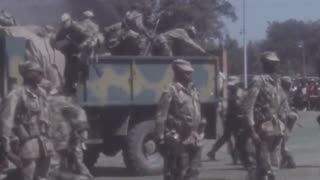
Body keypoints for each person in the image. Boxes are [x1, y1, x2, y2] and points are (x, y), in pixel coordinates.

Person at [0, 61, 54, 180]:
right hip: (27, 144)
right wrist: (7, 150)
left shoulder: (42, 93)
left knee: (43, 177)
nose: (42, 74)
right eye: (38, 72)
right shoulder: (16, 95)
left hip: (45, 143)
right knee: (28, 176)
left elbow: (48, 117)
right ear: (28, 74)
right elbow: (6, 122)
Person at [155, 59, 206, 180]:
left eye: (190, 72)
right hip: (178, 140)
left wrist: (201, 128)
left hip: (194, 139)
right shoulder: (171, 90)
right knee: (177, 174)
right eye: (186, 72)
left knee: (194, 173)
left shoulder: (194, 90)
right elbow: (161, 116)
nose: (190, 75)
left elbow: (197, 111)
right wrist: (160, 139)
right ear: (177, 72)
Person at [242, 52, 290, 180]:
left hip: (276, 130)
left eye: (276, 63)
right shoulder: (258, 81)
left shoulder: (277, 82)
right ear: (264, 64)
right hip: (262, 129)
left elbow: (282, 103)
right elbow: (248, 106)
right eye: (271, 63)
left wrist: (284, 123)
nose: (275, 66)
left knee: (273, 167)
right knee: (262, 167)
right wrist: (252, 130)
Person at [207, 77, 244, 164]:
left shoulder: (238, 90)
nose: (230, 87)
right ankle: (235, 158)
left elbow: (237, 100)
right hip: (233, 117)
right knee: (234, 137)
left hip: (234, 117)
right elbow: (237, 101)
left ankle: (213, 152)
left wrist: (224, 99)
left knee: (229, 137)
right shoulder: (234, 91)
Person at [54, 13, 92, 96]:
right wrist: (62, 44)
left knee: (79, 72)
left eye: (65, 22)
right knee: (67, 74)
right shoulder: (62, 30)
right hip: (69, 54)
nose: (64, 24)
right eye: (62, 22)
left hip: (81, 53)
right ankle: (69, 91)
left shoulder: (77, 28)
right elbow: (56, 42)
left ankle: (80, 89)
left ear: (70, 20)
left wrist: (83, 44)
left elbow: (89, 38)